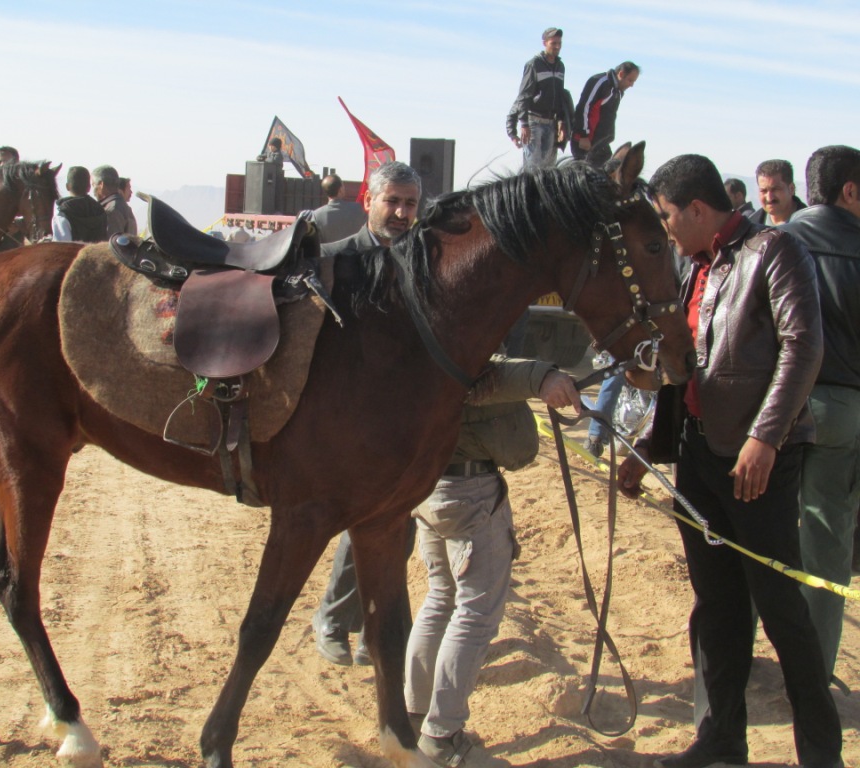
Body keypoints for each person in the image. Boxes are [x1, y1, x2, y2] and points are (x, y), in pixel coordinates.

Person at [618, 154, 842, 768]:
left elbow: (804, 347)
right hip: (699, 457)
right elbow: (680, 364)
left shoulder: (777, 251)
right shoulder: (695, 268)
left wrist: (765, 438)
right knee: (715, 608)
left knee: (781, 611)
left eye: (666, 217)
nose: (664, 230)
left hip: (759, 467)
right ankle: (722, 739)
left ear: (696, 208)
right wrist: (644, 444)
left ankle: (820, 753)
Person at [406, 357, 581, 767]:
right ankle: (442, 736)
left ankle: (414, 716)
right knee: (475, 614)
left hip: (429, 484)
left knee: (441, 600)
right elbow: (485, 373)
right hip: (470, 492)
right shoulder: (456, 336)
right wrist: (543, 377)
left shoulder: (417, 331)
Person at [312, 161, 422, 666]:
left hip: (404, 420)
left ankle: (366, 631)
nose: (401, 212)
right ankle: (334, 620)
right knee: (369, 520)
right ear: (368, 201)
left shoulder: (425, 264)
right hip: (342, 422)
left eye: (410, 204)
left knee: (397, 529)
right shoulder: (331, 262)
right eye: (392, 201)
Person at [780, 144, 860, 686]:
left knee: (759, 535)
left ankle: (742, 656)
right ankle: (810, 675)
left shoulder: (775, 243)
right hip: (845, 410)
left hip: (776, 409)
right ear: (850, 191)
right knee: (827, 544)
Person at [505, 27, 570, 170]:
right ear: (545, 43)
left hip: (551, 123)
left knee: (549, 170)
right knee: (533, 169)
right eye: (554, 43)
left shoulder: (560, 67)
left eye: (559, 43)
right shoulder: (534, 64)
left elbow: (559, 95)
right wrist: (523, 124)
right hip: (534, 122)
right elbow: (524, 95)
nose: (557, 47)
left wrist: (561, 121)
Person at [569, 62, 640, 167]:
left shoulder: (618, 91)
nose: (631, 85)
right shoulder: (601, 82)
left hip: (601, 144)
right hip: (585, 142)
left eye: (634, 82)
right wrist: (583, 136)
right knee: (586, 178)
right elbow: (584, 107)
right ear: (621, 74)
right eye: (630, 80)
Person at [52, 166, 108, 243]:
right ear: (89, 188)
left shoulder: (62, 213)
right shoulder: (100, 209)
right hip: (97, 254)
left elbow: (61, 246)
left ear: (67, 187)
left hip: (74, 254)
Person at [308, 174, 367, 244]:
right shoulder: (357, 209)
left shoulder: (317, 215)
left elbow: (315, 243)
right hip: (355, 254)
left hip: (329, 254)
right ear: (341, 190)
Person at [747, 159, 805, 226]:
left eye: (775, 189)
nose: (769, 198)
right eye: (764, 191)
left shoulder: (811, 226)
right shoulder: (750, 227)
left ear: (791, 189)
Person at [93, 164, 137, 237]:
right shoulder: (122, 207)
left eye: (93, 184)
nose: (93, 189)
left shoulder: (112, 210)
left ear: (101, 184)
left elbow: (111, 245)